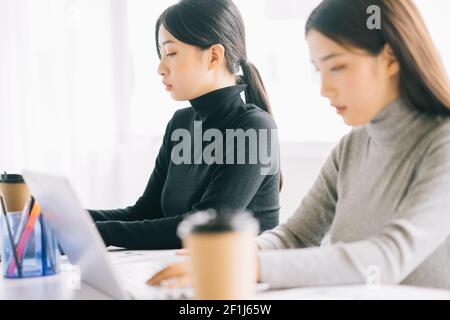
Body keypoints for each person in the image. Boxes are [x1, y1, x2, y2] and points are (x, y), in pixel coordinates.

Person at [149, 0, 450, 289]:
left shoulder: (442, 143)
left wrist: (245, 266)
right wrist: (233, 254)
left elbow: (385, 257)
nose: (324, 89)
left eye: (338, 67)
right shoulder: (351, 149)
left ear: (390, 58)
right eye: (318, 70)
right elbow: (294, 236)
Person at [88, 0, 281, 250]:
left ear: (214, 55)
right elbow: (147, 211)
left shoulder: (254, 129)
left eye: (170, 53)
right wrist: (69, 220)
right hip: (183, 268)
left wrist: (94, 234)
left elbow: (205, 228)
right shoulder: (181, 123)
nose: (160, 68)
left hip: (234, 278)